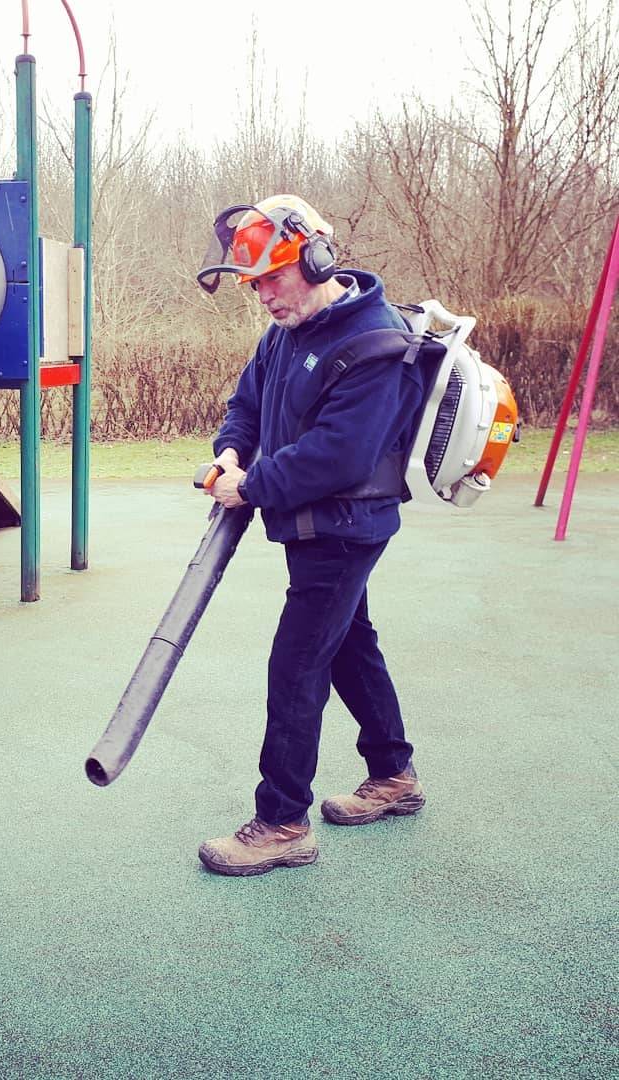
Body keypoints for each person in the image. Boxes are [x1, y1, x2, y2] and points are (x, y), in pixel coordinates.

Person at [193, 194, 427, 877]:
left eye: (273, 277)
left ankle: (282, 822)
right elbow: (247, 405)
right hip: (311, 526)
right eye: (254, 283)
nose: (263, 295)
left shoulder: (374, 342)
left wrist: (253, 487)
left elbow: (340, 455)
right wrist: (232, 453)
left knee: (297, 666)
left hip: (347, 528)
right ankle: (394, 774)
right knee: (350, 643)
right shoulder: (285, 334)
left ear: (318, 258)